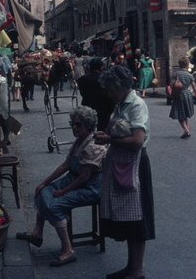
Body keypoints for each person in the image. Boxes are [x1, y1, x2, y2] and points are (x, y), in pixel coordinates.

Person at [16, 106, 105, 266]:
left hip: (88, 188)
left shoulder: (93, 146)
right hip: (72, 179)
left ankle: (68, 249)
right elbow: (65, 165)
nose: (74, 128)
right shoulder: (79, 142)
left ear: (88, 126)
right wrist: (44, 182)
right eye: (73, 124)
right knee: (43, 190)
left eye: (78, 125)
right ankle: (37, 232)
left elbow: (84, 178)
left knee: (55, 206)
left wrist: (63, 191)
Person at [95, 65, 155, 279]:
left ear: (121, 86)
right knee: (129, 218)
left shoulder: (136, 105)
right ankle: (131, 266)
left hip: (134, 166)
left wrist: (109, 139)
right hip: (121, 164)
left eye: (111, 89)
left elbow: (137, 140)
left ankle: (137, 270)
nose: (109, 93)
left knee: (137, 219)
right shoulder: (121, 104)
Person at [168, 57, 196, 139]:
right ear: (187, 65)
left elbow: (171, 85)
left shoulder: (175, 74)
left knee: (180, 114)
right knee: (186, 114)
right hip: (187, 95)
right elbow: (195, 89)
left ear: (179, 64)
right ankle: (187, 131)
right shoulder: (189, 75)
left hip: (179, 94)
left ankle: (186, 130)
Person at [77, 57, 114, 131]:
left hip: (87, 107)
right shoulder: (105, 80)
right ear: (101, 67)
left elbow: (82, 93)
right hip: (103, 109)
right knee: (102, 130)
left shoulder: (82, 79)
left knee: (88, 130)